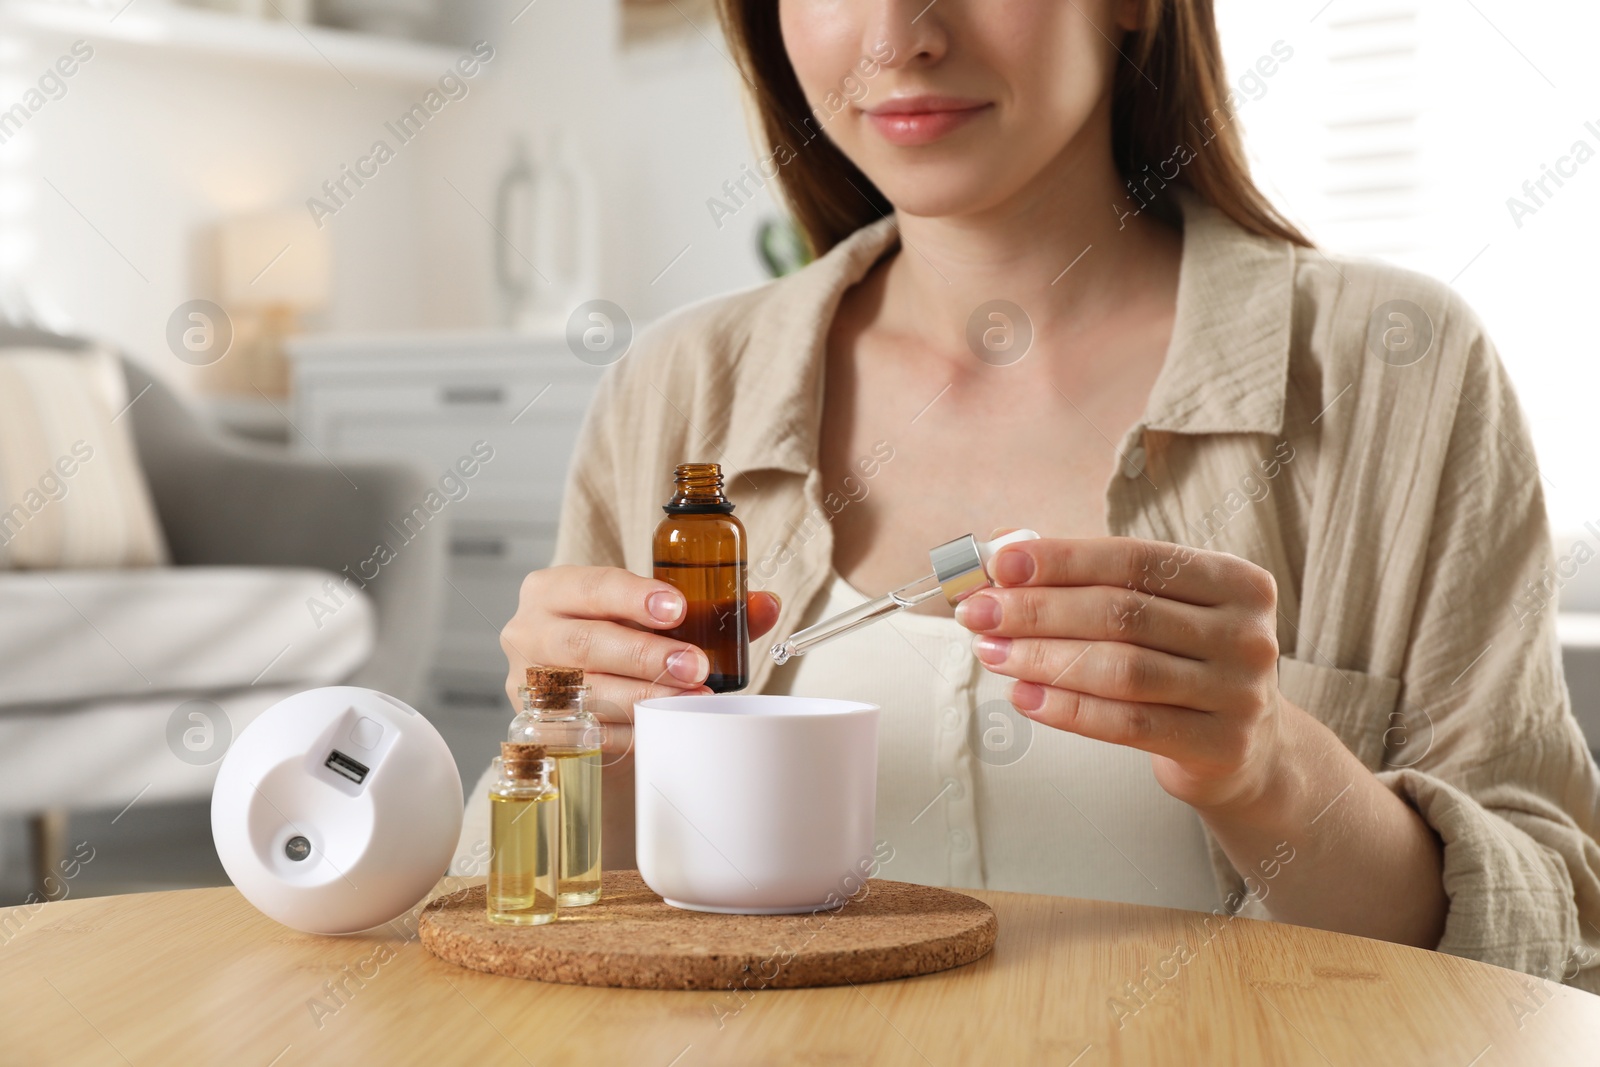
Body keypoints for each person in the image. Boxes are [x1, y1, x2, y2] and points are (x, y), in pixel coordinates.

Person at [459, 0, 1600, 989]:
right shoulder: (676, 389)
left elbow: (1550, 949)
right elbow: (525, 925)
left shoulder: (1398, 369)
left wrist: (1271, 771)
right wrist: (569, 743)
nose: (901, 36)